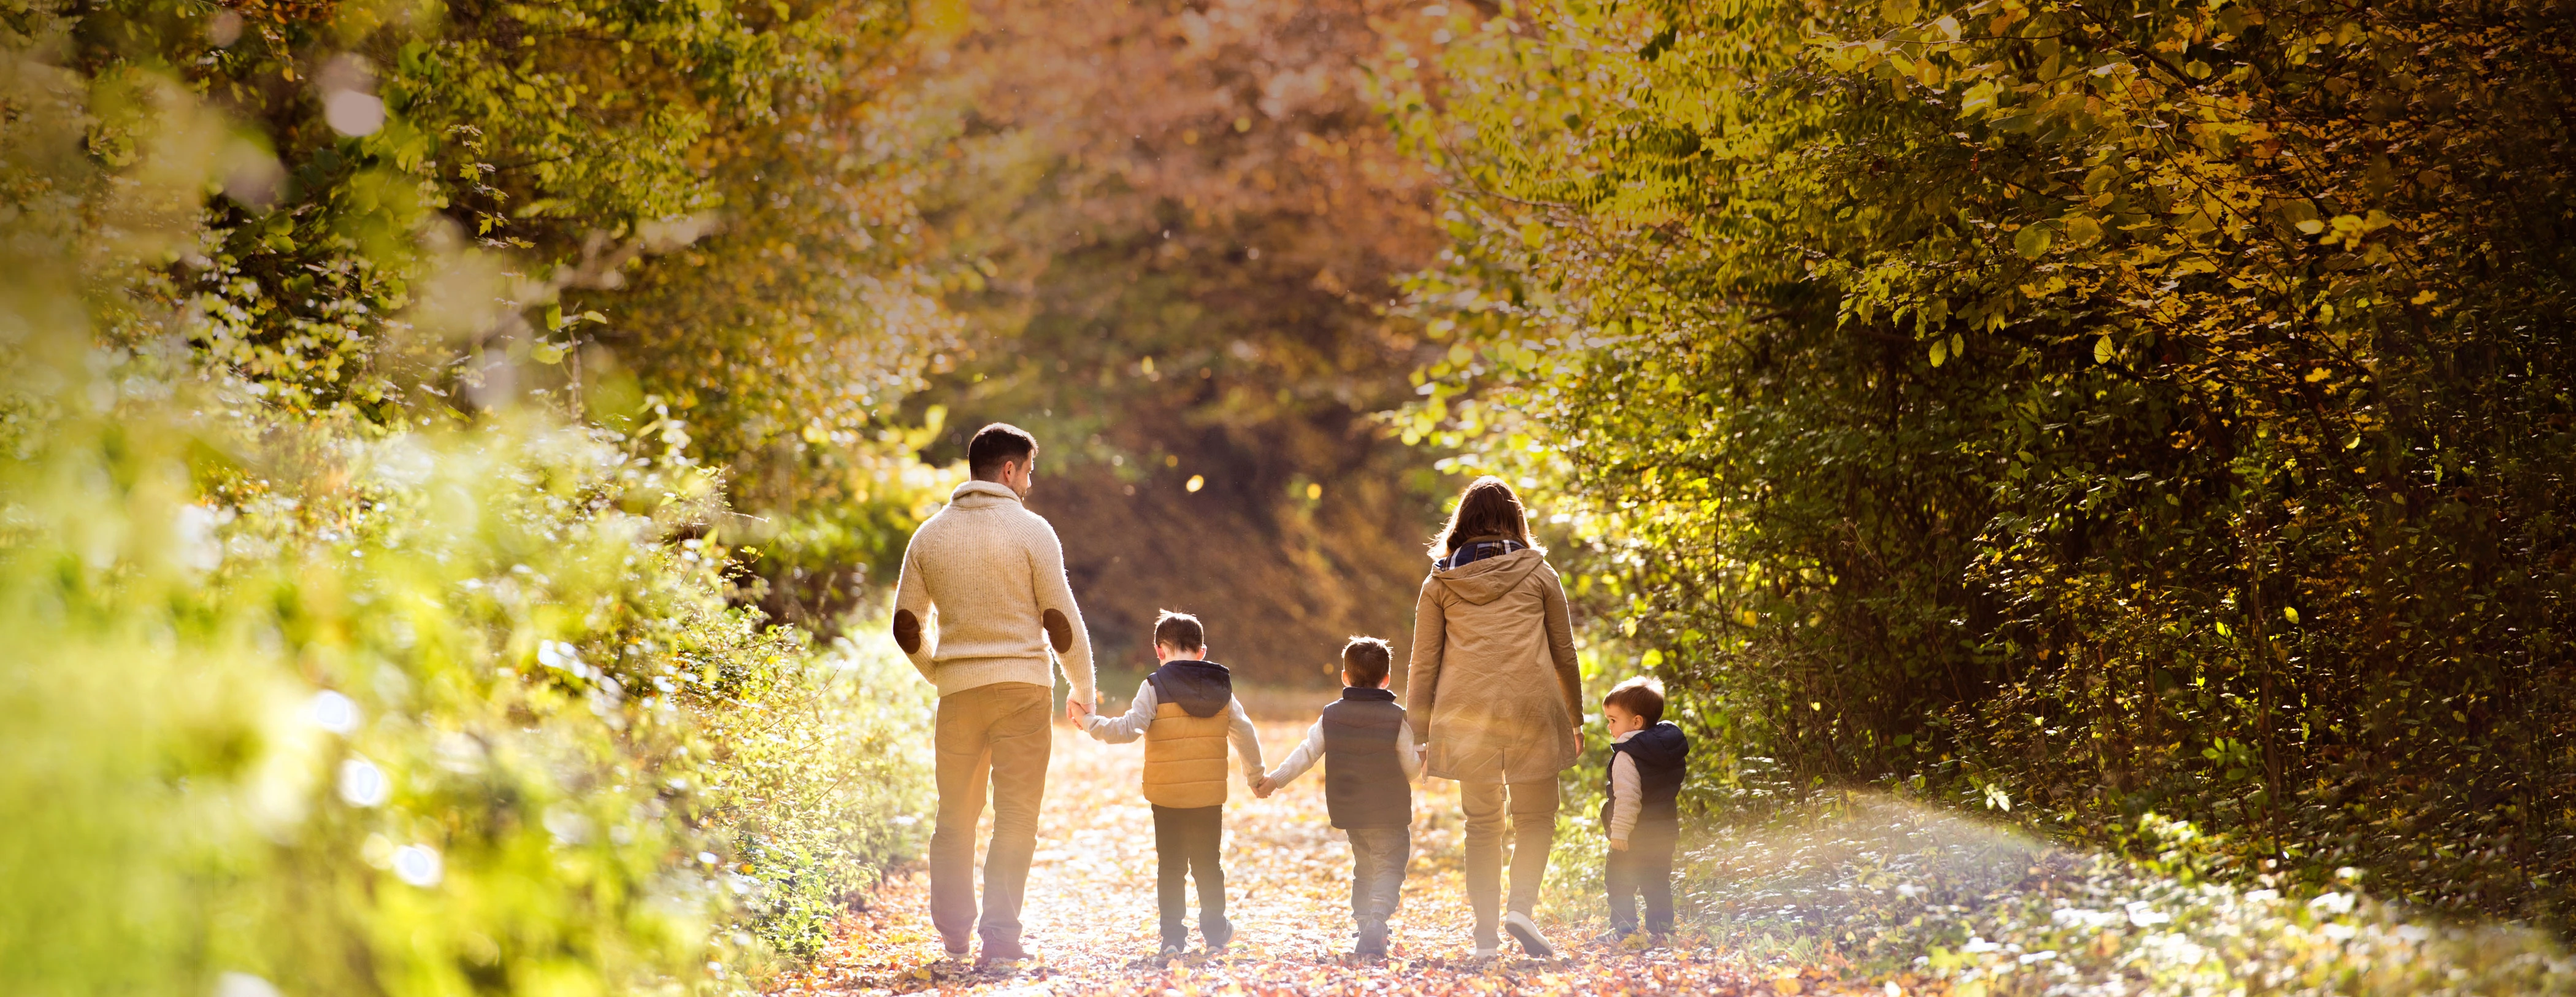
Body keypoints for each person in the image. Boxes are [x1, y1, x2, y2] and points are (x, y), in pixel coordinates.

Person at [891, 423, 1097, 966]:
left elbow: (906, 625)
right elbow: (1061, 621)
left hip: (960, 695)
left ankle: (954, 933)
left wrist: (940, 672)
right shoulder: (1032, 531)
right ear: (1009, 470)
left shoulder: (929, 535)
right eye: (1028, 470)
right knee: (1016, 815)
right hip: (1024, 692)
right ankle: (1001, 936)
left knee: (954, 816)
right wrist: (1084, 688)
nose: (1030, 481)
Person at [1405, 475, 1584, 958]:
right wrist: (1576, 716)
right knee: (1537, 817)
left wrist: (1419, 733)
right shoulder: (1540, 573)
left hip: (1467, 713)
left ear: (1463, 519)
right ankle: (1521, 907)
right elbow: (1563, 651)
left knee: (1482, 824)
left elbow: (1424, 660)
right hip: (1533, 706)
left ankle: (1485, 936)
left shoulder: (1440, 580)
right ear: (1514, 518)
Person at [1076, 610, 1265, 957]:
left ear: (1159, 650)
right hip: (1208, 796)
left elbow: (1128, 729)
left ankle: (1173, 939)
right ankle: (1214, 932)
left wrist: (1089, 721)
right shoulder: (1222, 687)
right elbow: (1245, 732)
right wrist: (1256, 776)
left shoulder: (1154, 685)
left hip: (1167, 796)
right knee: (1209, 863)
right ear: (1202, 651)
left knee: (1172, 866)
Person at [1252, 636, 1421, 960]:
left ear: (1345, 677)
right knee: (1390, 866)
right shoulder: (1396, 718)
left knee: (1365, 866)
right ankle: (1378, 918)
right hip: (1389, 811)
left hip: (1352, 810)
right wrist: (1421, 758)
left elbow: (1307, 753)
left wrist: (1275, 780)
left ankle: (1363, 922)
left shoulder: (1331, 715)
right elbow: (1410, 769)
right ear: (1386, 679)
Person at [1598, 677, 1689, 942]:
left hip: (1633, 836)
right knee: (1657, 883)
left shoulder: (1627, 756)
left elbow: (1628, 798)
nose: (1609, 726)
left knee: (1619, 882)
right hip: (1663, 833)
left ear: (1636, 722)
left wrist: (1620, 832)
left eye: (1613, 720)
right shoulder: (1666, 751)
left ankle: (1625, 931)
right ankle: (1662, 931)